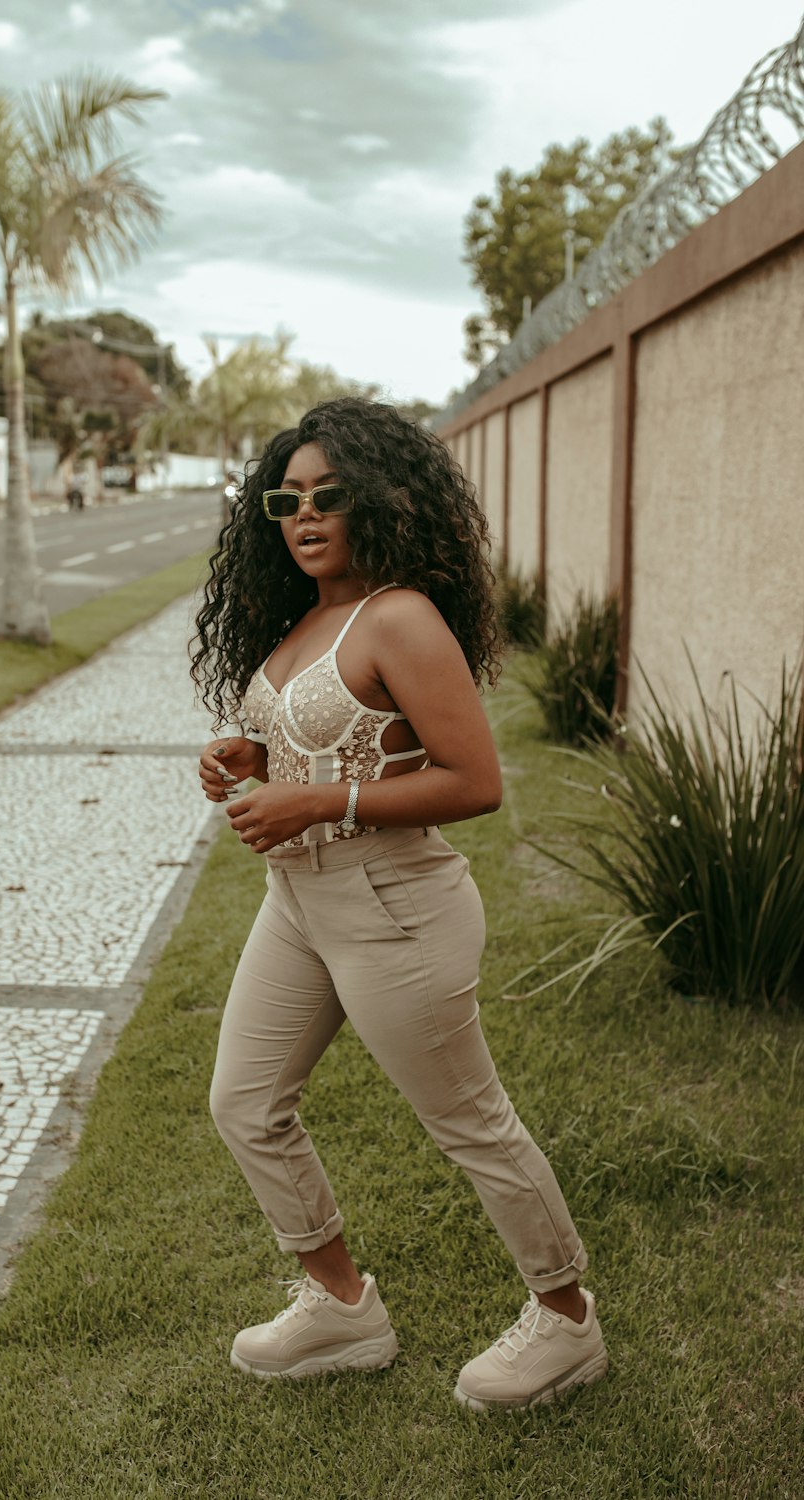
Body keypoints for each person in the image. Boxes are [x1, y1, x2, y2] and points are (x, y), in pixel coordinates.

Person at [191, 398, 607, 1410]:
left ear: (377, 498)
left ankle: (565, 1322)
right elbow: (325, 740)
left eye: (327, 495)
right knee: (245, 1103)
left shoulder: (401, 614)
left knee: (468, 1119)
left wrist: (316, 798)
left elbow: (474, 782)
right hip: (299, 901)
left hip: (392, 899)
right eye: (284, 499)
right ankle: (341, 1307)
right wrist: (247, 758)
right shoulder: (307, 618)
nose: (303, 514)